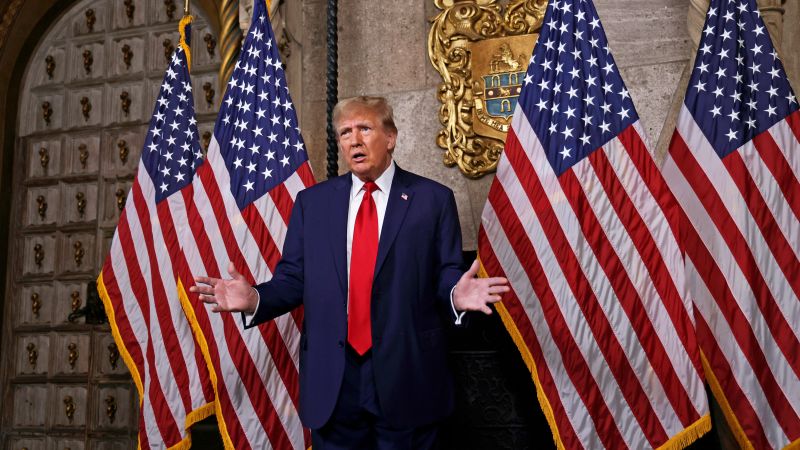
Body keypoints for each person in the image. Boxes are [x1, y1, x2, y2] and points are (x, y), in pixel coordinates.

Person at [191, 96, 509, 449]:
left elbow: (447, 271)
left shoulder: (432, 199)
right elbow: (294, 278)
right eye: (345, 132)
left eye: (365, 129)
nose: (354, 140)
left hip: (407, 371)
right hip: (335, 379)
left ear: (390, 137)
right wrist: (256, 298)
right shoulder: (313, 203)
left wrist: (455, 295)